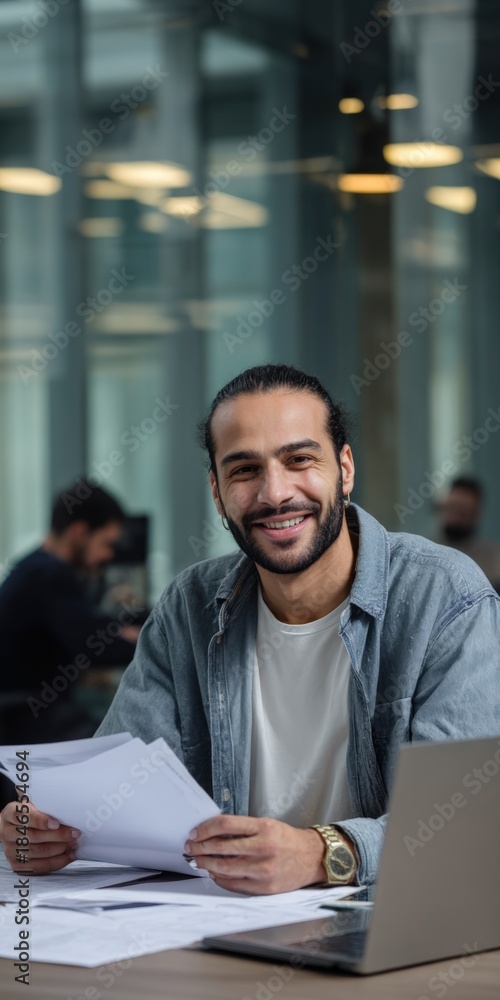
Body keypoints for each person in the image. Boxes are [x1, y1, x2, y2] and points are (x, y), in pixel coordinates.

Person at [1, 366, 499, 890]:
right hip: (217, 920)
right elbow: (115, 793)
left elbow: (462, 821)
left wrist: (321, 853)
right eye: (244, 470)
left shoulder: (443, 598)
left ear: (345, 469)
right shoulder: (188, 608)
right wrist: (53, 828)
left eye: (299, 459)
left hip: (383, 921)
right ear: (217, 493)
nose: (275, 493)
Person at [0, 481, 140, 752]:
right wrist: (151, 642)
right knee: (126, 743)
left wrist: (119, 631)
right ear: (79, 532)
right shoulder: (50, 574)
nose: (108, 555)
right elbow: (93, 645)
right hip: (26, 717)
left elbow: (86, 624)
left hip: (29, 710)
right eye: (106, 543)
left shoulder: (34, 566)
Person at [436, 476, 500, 592]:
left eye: (463, 512)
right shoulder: (429, 550)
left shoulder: (493, 559)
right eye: (452, 509)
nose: (456, 517)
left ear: (475, 513)